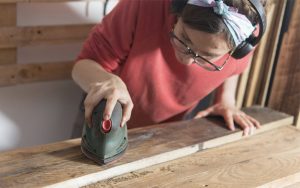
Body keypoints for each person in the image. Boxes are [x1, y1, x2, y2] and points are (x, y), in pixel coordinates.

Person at [72, 0, 266, 137]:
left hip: (169, 129)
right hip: (104, 113)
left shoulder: (247, 31)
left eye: (206, 55)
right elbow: (82, 65)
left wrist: (227, 101)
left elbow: (234, 67)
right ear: (177, 8)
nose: (186, 61)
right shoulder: (146, 4)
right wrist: (107, 81)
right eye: (184, 39)